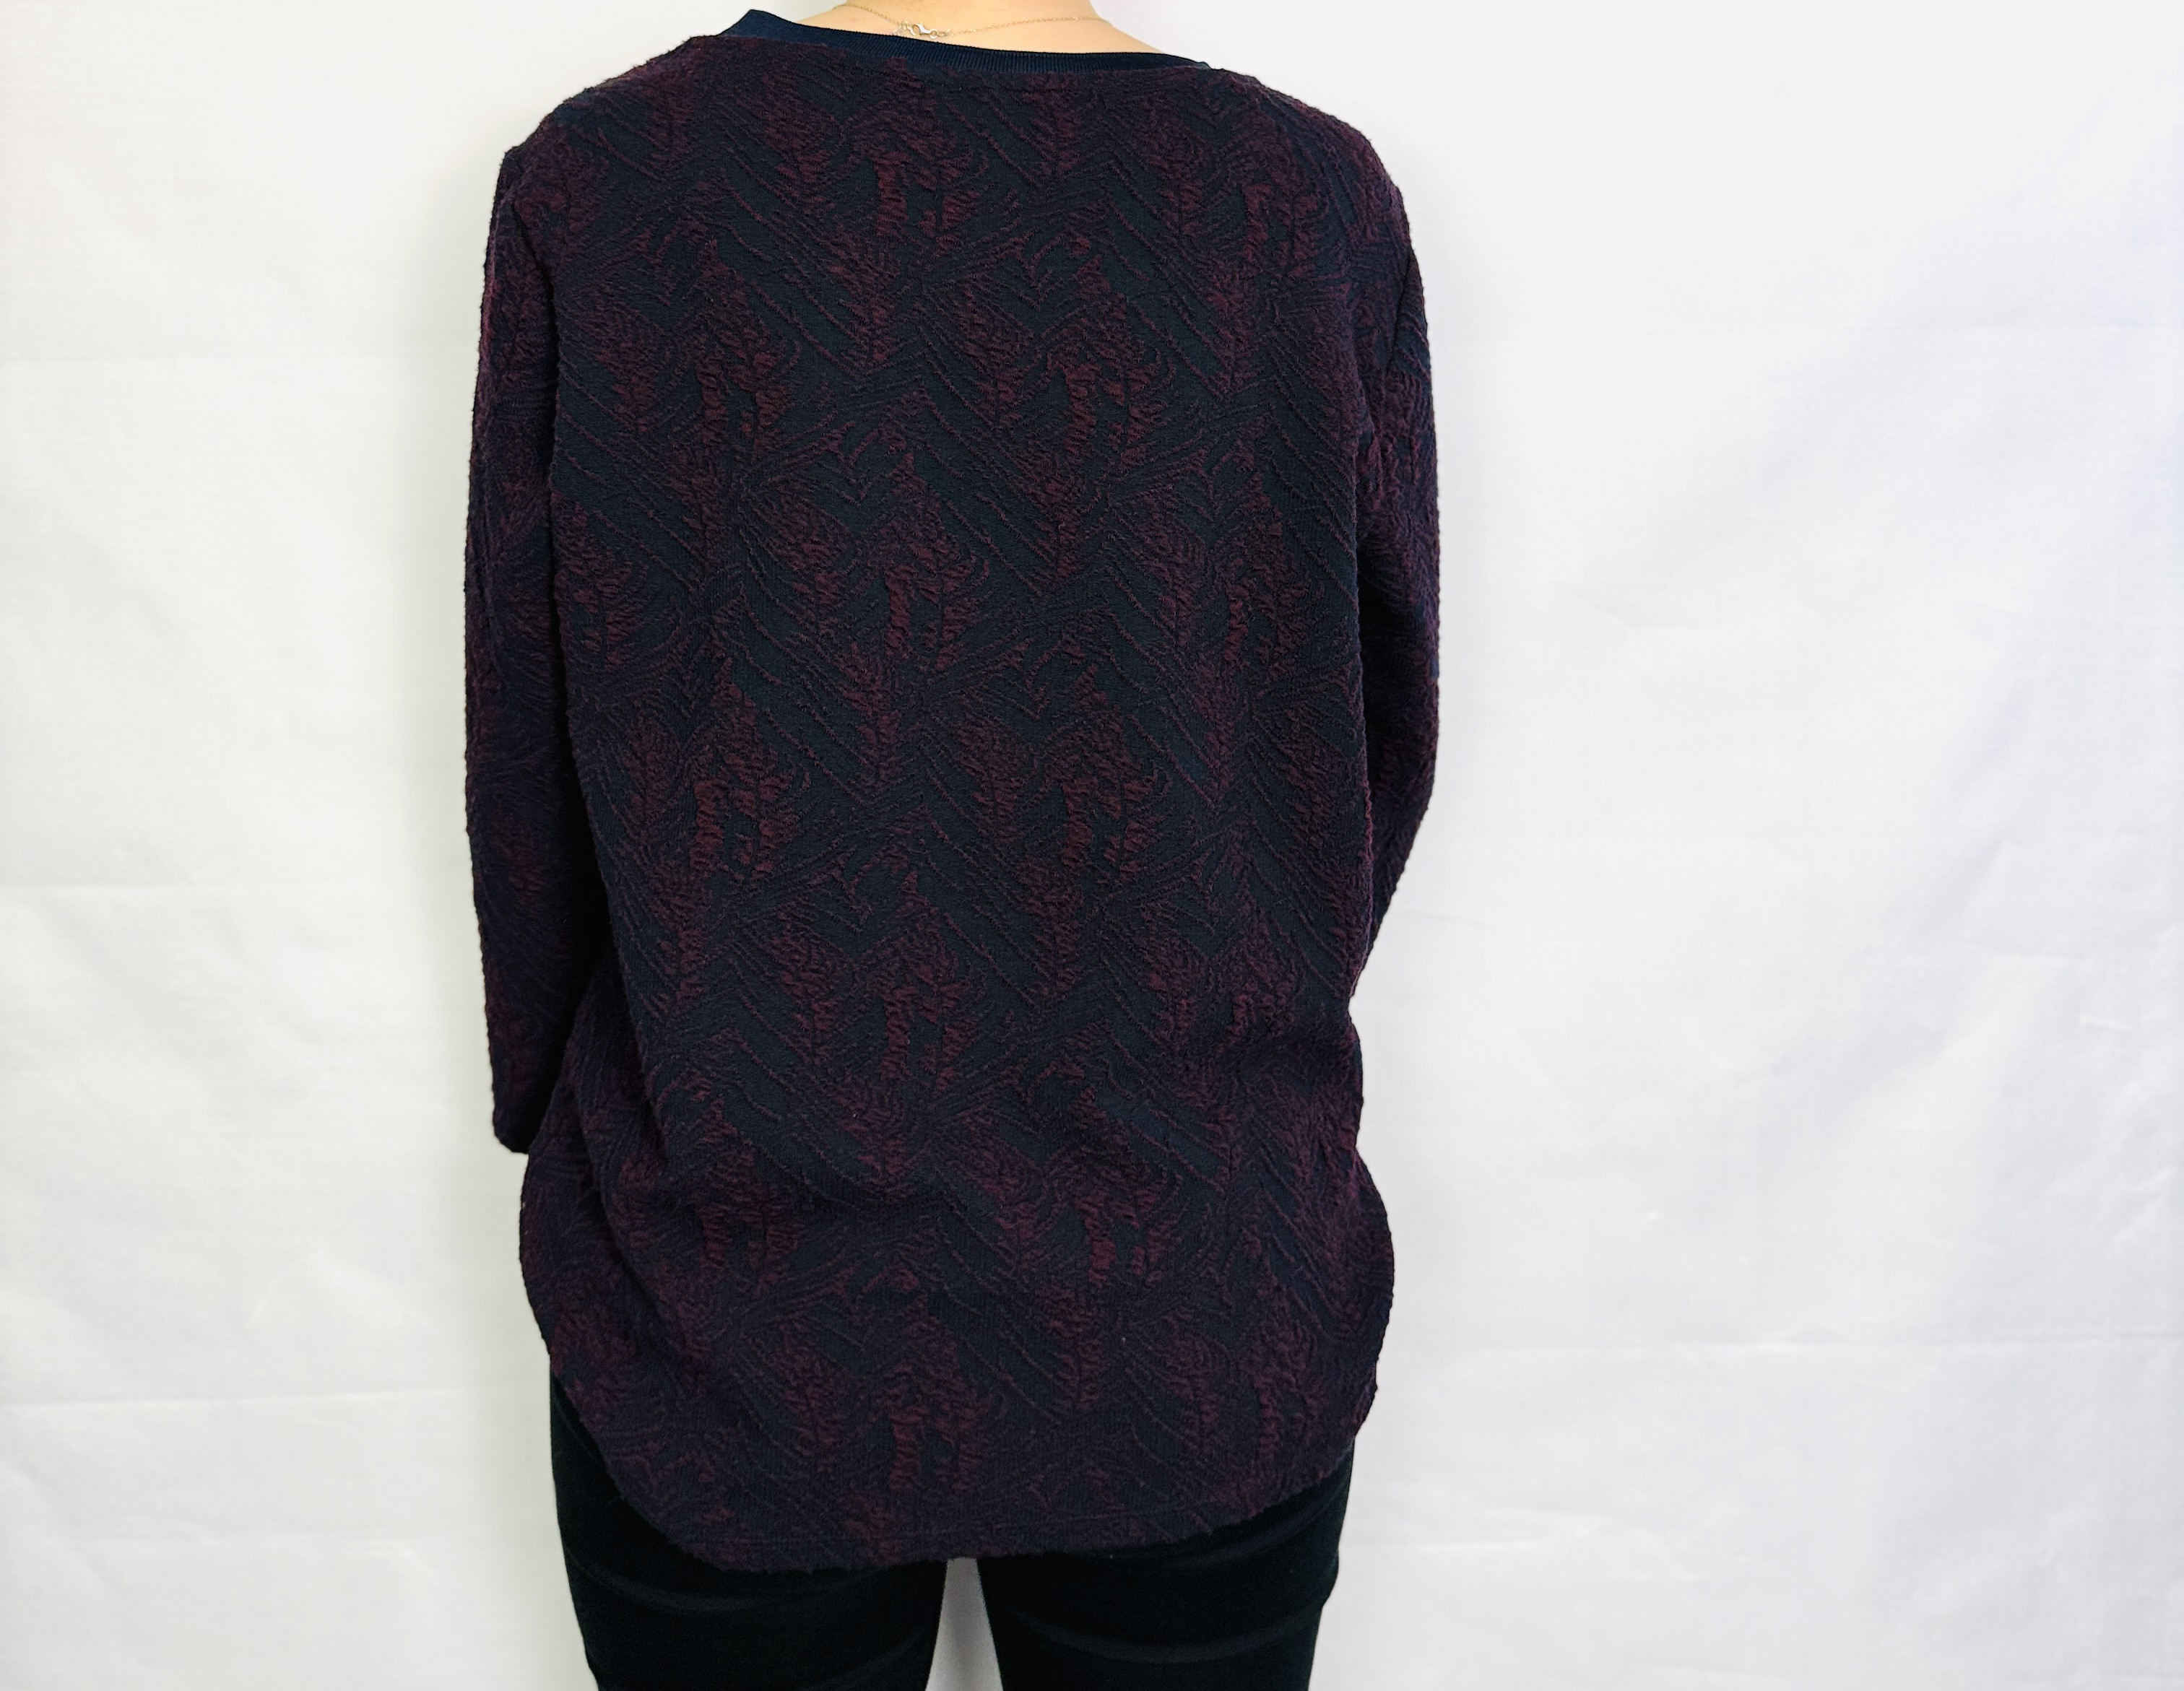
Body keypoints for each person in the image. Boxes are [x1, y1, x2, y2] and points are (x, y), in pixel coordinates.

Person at [463, 4, 1439, 1685]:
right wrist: (1234, 1036)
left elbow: (528, 712)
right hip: (1191, 1262)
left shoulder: (611, 179)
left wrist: (559, 1094)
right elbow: (1373, 726)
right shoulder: (1299, 197)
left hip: (734, 1271)